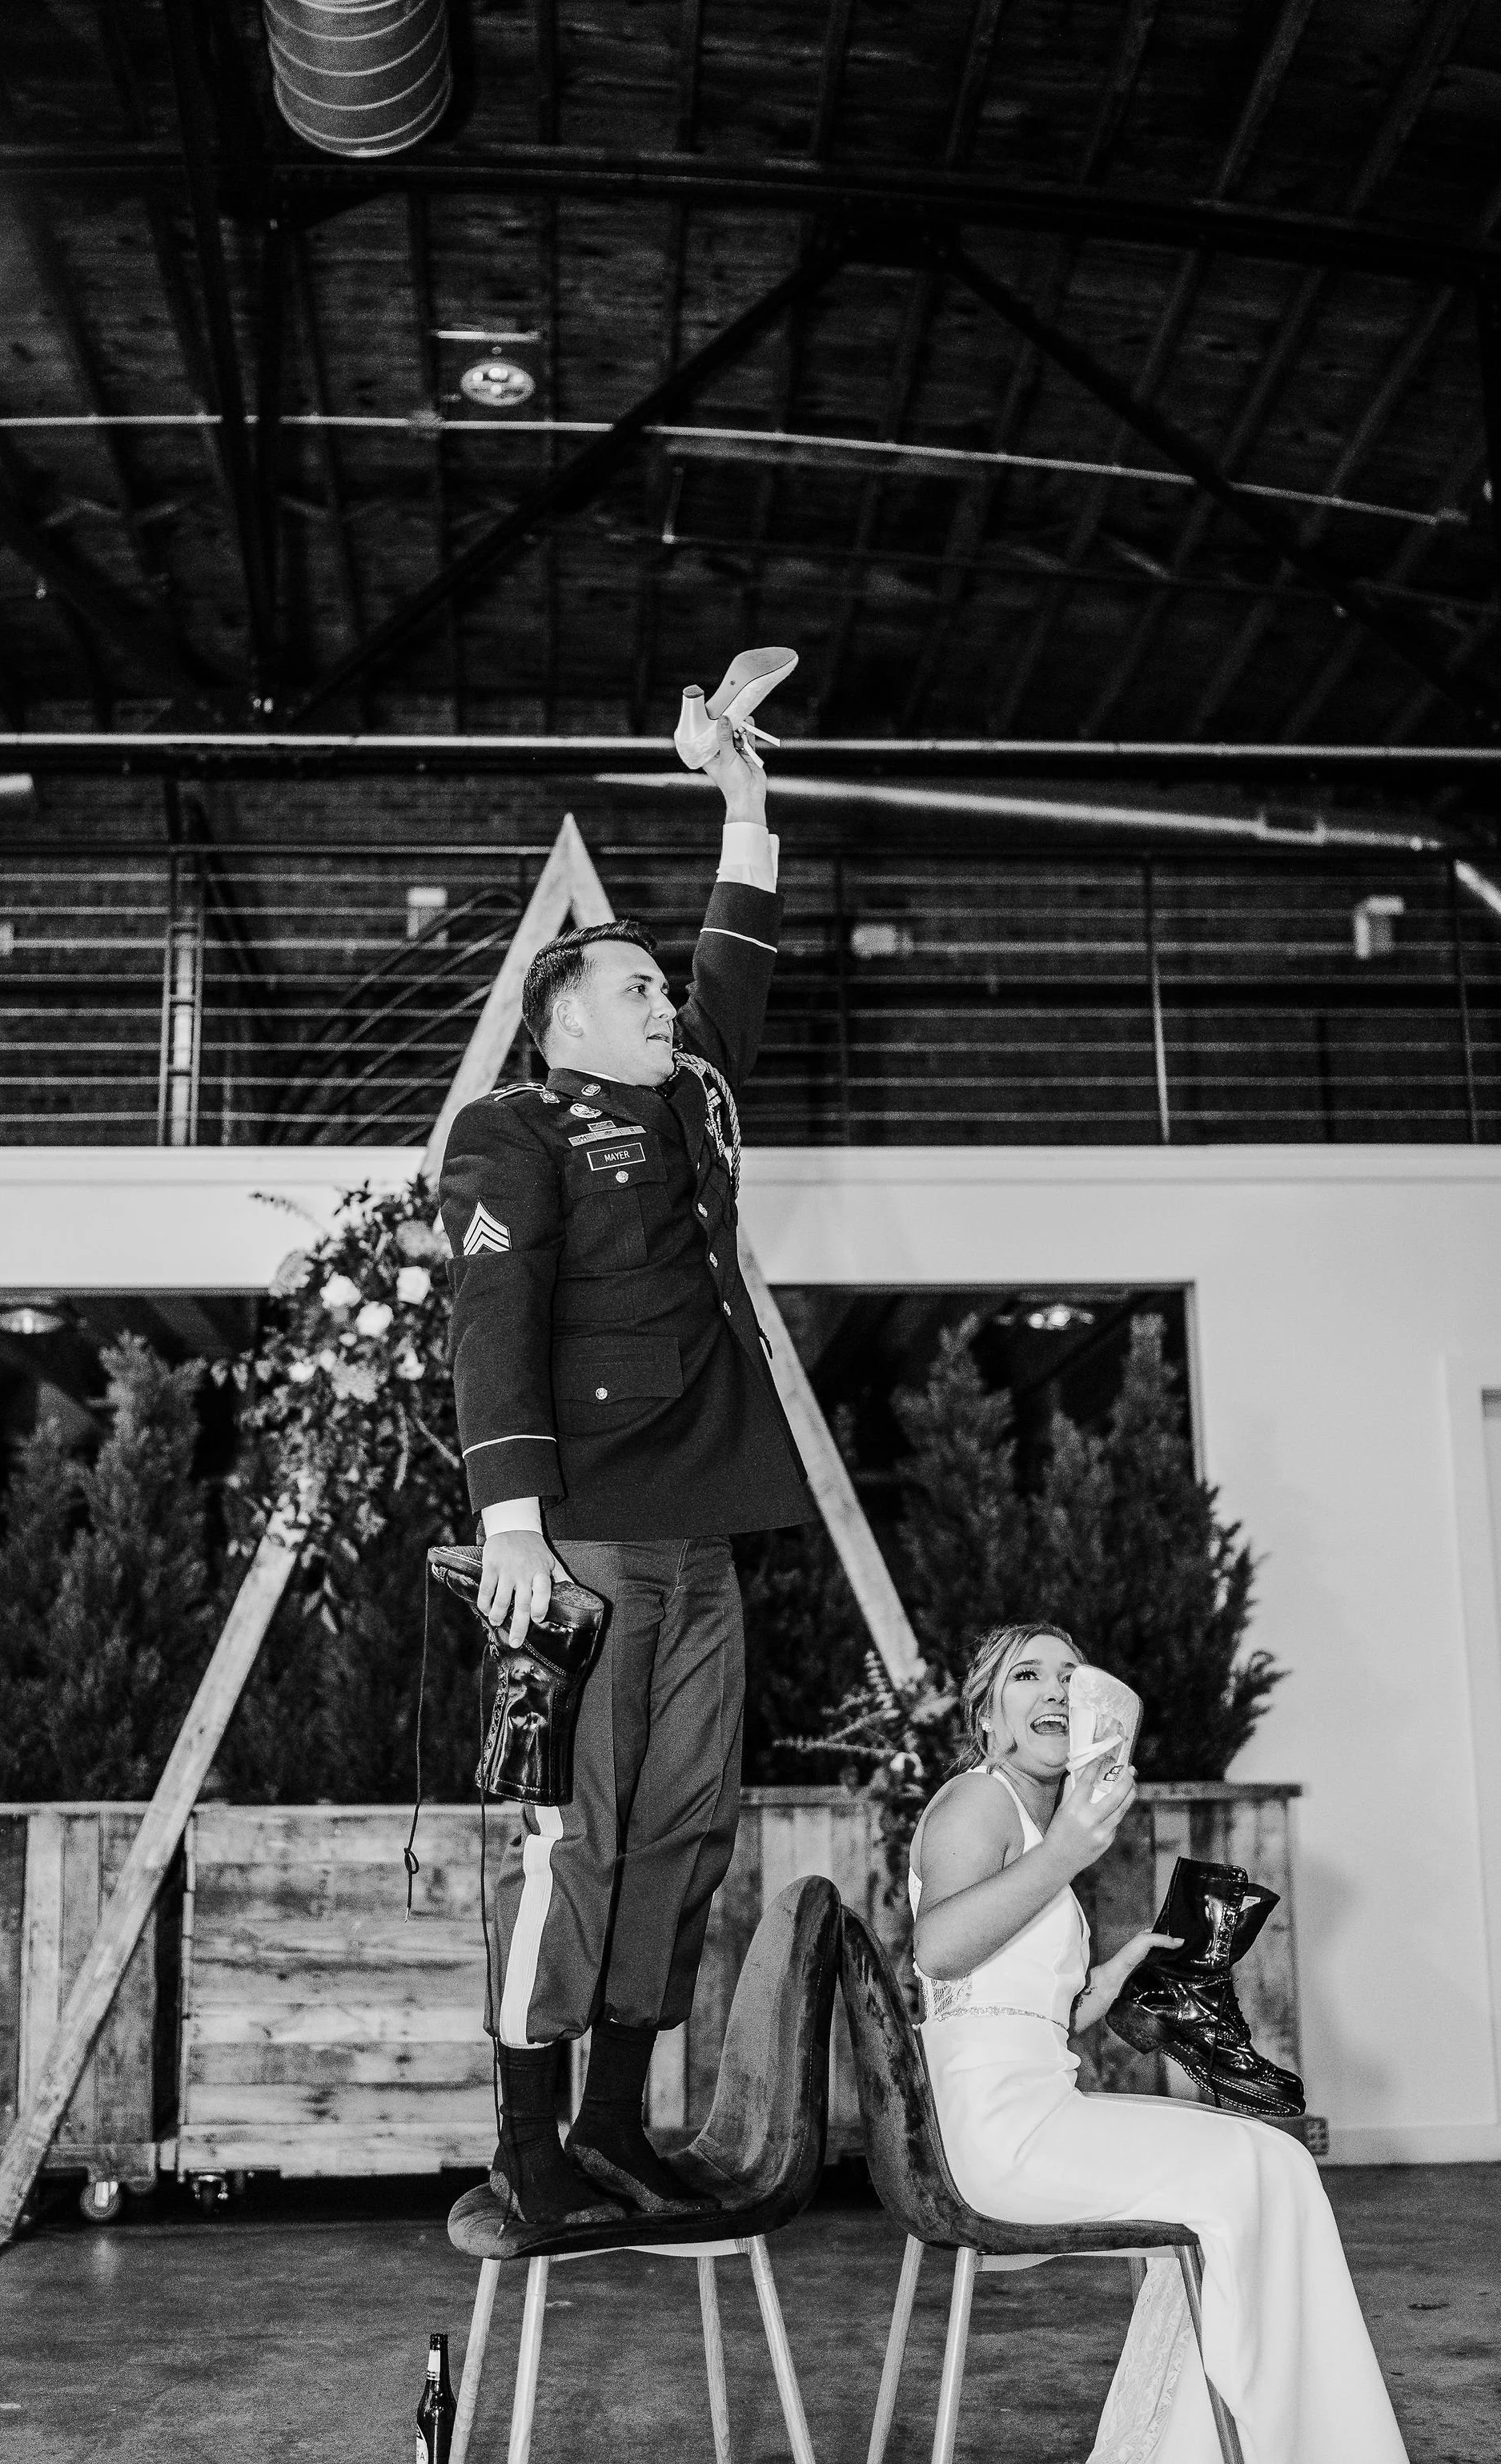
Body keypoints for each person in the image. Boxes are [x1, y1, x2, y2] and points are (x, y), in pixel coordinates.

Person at [438, 663, 813, 2228]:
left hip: (703, 1519)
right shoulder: (511, 1129)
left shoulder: (695, 1097)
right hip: (578, 1532)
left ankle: (616, 2123)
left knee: (682, 1824)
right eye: (639, 990)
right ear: (561, 1019)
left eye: (669, 991)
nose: (670, 1003)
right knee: (564, 1830)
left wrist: (740, 796)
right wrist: (512, 1515)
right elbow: (489, 1316)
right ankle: (526, 2143)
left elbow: (743, 951)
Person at [910, 1621, 1409, 2464]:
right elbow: (936, 1950)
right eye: (1026, 1675)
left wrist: (1117, 1970)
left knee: (1263, 2159)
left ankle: (1199, 2444)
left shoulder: (1034, 1824)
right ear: (987, 1718)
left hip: (1037, 2106)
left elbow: (1021, 2011)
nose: (1055, 1691)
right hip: (998, 2134)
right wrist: (1067, 1849)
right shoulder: (976, 1800)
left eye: (1072, 1678)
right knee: (1259, 2168)